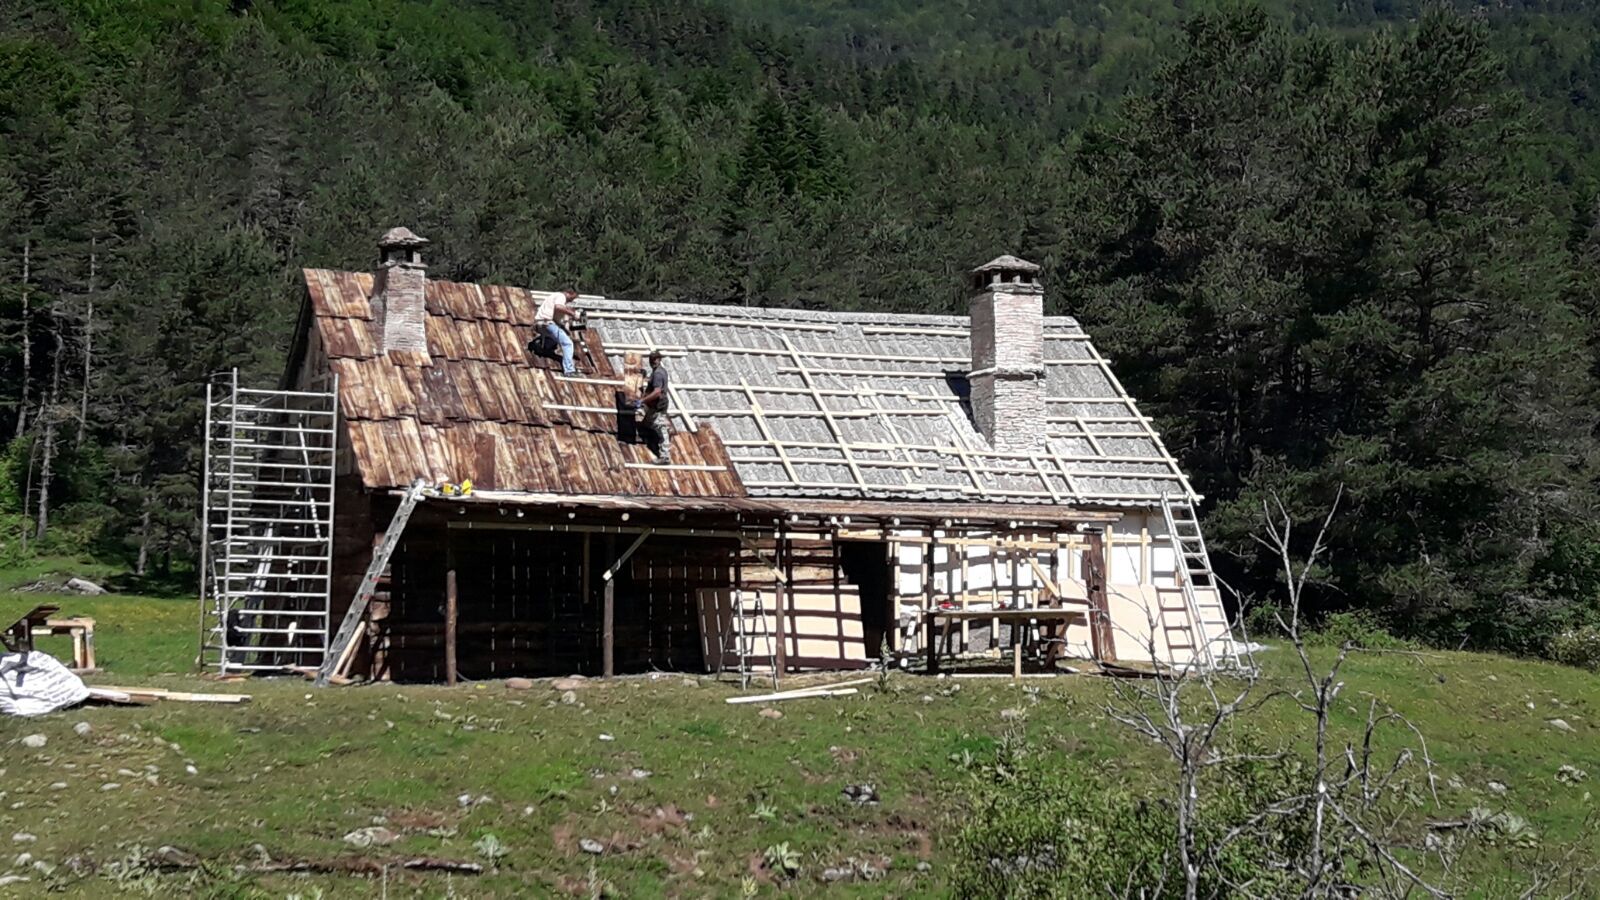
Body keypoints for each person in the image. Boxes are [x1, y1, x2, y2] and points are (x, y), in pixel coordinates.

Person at [533, 288, 581, 376]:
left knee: (554, 337)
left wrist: (565, 329)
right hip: (547, 323)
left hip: (540, 324)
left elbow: (556, 317)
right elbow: (558, 307)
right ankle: (569, 370)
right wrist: (573, 314)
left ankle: (542, 347)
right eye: (572, 298)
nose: (571, 300)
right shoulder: (561, 296)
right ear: (568, 293)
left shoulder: (553, 296)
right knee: (568, 344)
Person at [637, 349, 672, 465]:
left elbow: (657, 392)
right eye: (651, 359)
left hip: (658, 405)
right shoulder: (659, 371)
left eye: (655, 359)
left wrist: (643, 400)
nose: (653, 361)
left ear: (659, 359)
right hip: (655, 405)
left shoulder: (657, 374)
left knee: (660, 428)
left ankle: (665, 456)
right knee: (647, 423)